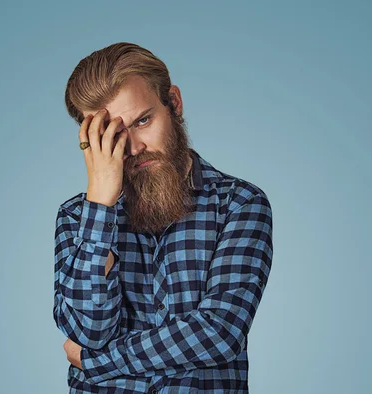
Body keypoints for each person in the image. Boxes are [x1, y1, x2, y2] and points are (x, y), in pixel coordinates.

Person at [53, 42, 273, 393]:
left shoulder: (239, 204)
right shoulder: (77, 216)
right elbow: (87, 331)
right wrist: (100, 207)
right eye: (112, 135)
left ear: (174, 102)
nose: (134, 147)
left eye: (143, 120)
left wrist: (97, 363)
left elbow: (219, 333)